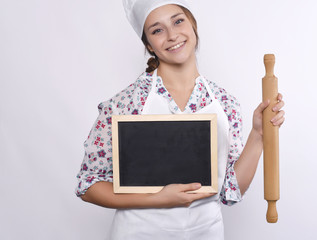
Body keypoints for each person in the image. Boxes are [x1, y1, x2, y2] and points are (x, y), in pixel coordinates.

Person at [75, 0, 285, 239]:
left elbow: (229, 191)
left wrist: (258, 136)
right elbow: (88, 185)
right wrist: (156, 199)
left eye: (177, 21)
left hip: (207, 233)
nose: (172, 35)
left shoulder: (225, 104)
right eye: (157, 30)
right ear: (149, 45)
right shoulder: (124, 104)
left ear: (193, 25)